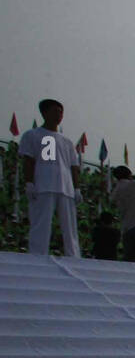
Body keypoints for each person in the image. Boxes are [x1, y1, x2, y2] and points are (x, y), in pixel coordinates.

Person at [19, 99, 81, 257]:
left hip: (66, 187)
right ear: (44, 113)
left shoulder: (67, 141)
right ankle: (37, 256)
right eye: (55, 111)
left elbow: (74, 166)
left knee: (70, 227)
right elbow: (29, 160)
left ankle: (74, 256)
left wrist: (77, 188)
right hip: (43, 185)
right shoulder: (32, 135)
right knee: (41, 224)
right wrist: (29, 183)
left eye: (61, 112)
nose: (59, 115)